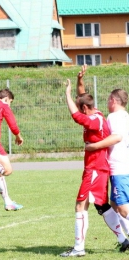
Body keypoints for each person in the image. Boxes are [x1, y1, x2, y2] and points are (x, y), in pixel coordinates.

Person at [60, 67, 129, 257]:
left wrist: (66, 93)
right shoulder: (95, 112)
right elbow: (83, 98)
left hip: (96, 169)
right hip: (97, 168)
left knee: (80, 205)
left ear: (84, 109)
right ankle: (123, 240)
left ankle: (78, 248)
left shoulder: (95, 120)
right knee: (102, 206)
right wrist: (79, 81)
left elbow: (76, 115)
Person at [85, 88, 129, 225]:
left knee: (122, 208)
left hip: (119, 169)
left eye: (108, 100)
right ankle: (125, 240)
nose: (107, 103)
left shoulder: (114, 117)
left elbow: (117, 137)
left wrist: (94, 146)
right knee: (114, 206)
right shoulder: (125, 116)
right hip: (123, 166)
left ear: (114, 101)